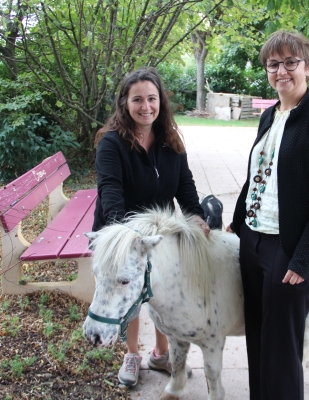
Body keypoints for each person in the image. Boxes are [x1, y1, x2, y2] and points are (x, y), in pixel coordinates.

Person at [226, 31, 309, 399]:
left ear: (308, 66)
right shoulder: (269, 116)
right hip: (254, 239)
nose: (282, 71)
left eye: (290, 62)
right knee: (259, 337)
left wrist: (305, 256)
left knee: (281, 349)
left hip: (293, 247)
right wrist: (238, 218)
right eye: (273, 64)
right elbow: (257, 173)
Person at [92, 67, 210, 387]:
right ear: (125, 103)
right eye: (138, 99)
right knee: (131, 291)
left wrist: (196, 217)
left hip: (158, 231)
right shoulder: (112, 144)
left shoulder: (171, 141)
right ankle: (132, 353)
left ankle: (161, 352)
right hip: (121, 231)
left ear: (161, 102)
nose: (146, 106)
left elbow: (185, 187)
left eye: (152, 99)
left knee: (161, 290)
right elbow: (111, 194)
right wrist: (127, 239)